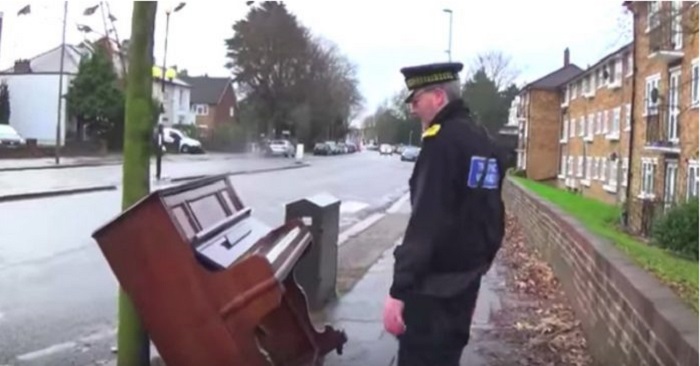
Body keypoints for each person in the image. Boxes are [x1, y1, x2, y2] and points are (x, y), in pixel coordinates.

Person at [382, 62, 507, 366]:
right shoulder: (483, 140)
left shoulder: (441, 143)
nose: (412, 109)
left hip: (431, 292)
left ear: (438, 97)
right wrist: (477, 270)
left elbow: (426, 223)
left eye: (416, 100)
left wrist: (399, 290)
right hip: (464, 285)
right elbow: (493, 215)